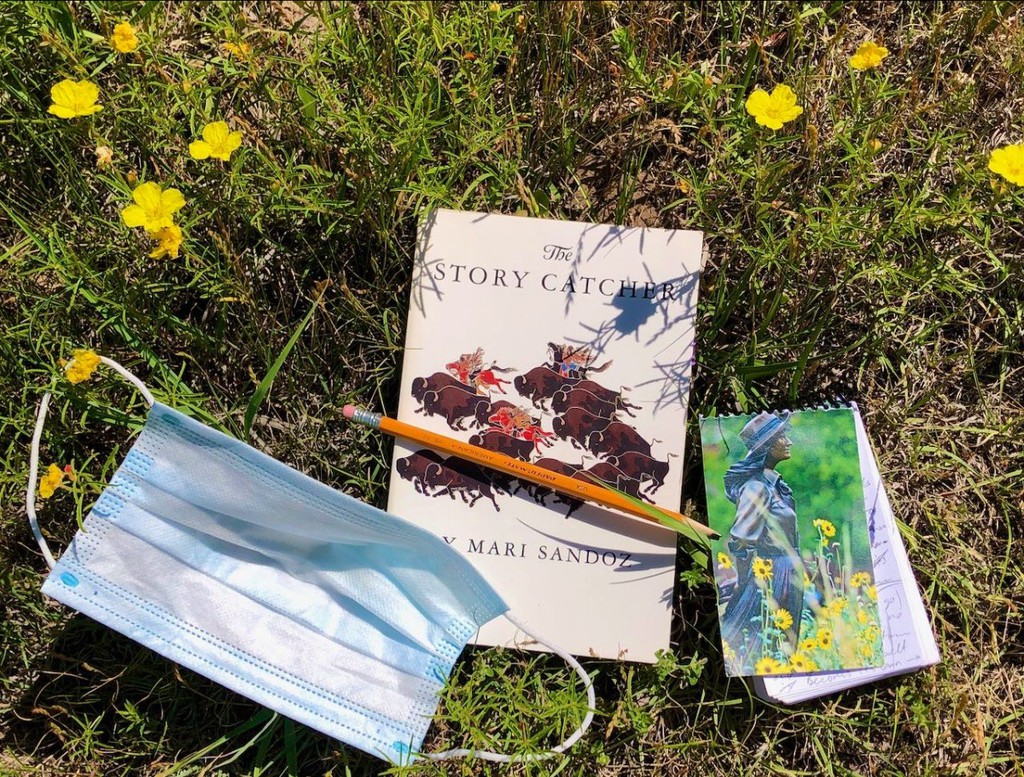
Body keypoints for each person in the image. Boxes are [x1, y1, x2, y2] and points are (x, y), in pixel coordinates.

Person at [718, 411, 804, 670]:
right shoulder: (756, 488)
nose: (788, 441)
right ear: (766, 447)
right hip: (770, 576)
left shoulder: (774, 485)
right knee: (759, 646)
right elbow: (742, 542)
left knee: (784, 647)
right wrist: (743, 585)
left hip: (787, 573)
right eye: (781, 437)